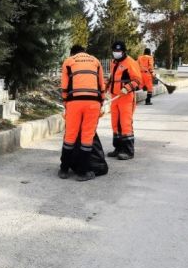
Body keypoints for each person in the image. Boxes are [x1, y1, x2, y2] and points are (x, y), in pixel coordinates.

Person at [59, 44, 107, 181]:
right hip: (93, 103)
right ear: (84, 52)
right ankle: (82, 172)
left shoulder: (69, 61)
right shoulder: (95, 61)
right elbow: (101, 84)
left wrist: (66, 104)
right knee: (87, 138)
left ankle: (64, 170)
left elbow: (64, 85)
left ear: (72, 53)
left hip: (74, 102)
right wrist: (101, 102)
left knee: (70, 136)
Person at [106, 41, 142, 160]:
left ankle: (128, 151)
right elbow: (112, 78)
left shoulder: (131, 62)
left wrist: (127, 88)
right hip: (114, 97)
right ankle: (118, 148)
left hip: (126, 98)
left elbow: (137, 80)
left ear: (124, 51)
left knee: (125, 123)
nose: (116, 53)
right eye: (115, 51)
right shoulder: (114, 62)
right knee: (115, 123)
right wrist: (105, 87)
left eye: (119, 51)